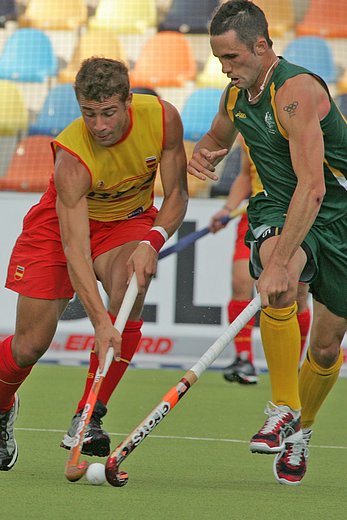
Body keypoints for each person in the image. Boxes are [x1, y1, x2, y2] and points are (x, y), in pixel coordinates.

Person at [0, 57, 188, 471]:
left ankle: (88, 415)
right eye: (89, 114)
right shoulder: (72, 158)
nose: (100, 125)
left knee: (128, 290)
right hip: (60, 228)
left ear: (127, 101)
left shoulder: (161, 118)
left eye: (108, 112)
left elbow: (176, 195)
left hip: (127, 220)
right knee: (29, 346)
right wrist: (100, 323)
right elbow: (75, 251)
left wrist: (152, 241)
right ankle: (1, 407)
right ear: (78, 107)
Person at [188, 0, 347, 485]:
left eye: (232, 59)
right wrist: (204, 153)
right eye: (219, 61)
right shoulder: (234, 97)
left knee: (325, 345)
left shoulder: (295, 91)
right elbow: (217, 137)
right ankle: (282, 407)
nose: (225, 69)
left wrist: (280, 264)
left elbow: (315, 186)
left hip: (334, 210)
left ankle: (302, 428)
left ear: (261, 46)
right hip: (278, 206)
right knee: (275, 277)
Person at [209, 139, 311, 385]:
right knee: (241, 281)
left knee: (296, 294)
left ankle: (293, 366)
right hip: (257, 215)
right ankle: (244, 359)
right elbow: (246, 174)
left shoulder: (308, 125)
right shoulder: (249, 128)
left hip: (297, 216)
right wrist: (228, 208)